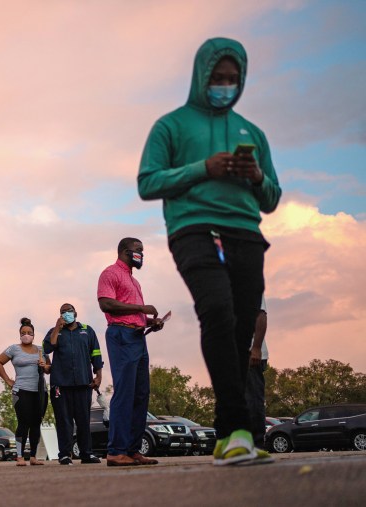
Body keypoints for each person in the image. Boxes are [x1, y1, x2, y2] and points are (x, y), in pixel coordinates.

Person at [137, 37, 281, 466]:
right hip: (194, 229)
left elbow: (272, 197)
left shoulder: (252, 132)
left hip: (246, 234)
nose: (225, 85)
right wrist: (205, 167)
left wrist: (255, 176)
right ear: (202, 76)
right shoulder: (171, 126)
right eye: (217, 78)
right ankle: (238, 430)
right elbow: (149, 182)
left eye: (233, 80)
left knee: (240, 328)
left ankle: (227, 433)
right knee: (217, 311)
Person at [97, 237, 165, 466]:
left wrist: (149, 321)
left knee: (140, 394)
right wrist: (141, 308)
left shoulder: (134, 282)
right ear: (126, 251)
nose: (142, 255)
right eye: (139, 251)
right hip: (121, 336)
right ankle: (116, 451)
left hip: (137, 336)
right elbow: (106, 304)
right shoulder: (110, 273)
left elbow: (133, 314)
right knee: (125, 392)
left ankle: (132, 449)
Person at [42, 304, 103, 465]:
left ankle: (86, 454)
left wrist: (99, 375)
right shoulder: (54, 331)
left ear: (75, 313)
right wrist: (57, 327)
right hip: (60, 385)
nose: (66, 313)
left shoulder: (87, 330)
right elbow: (47, 348)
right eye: (63, 312)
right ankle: (64, 454)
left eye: (69, 311)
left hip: (84, 383)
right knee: (64, 421)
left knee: (84, 420)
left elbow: (96, 352)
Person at [0, 317, 50, 466]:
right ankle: (19, 456)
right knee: (23, 422)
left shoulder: (41, 349)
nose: (27, 335)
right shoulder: (14, 349)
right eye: (24, 332)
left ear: (33, 334)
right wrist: (8, 380)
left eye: (29, 332)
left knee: (36, 423)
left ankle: (33, 456)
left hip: (40, 390)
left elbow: (49, 369)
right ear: (20, 334)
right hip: (21, 390)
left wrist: (45, 366)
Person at [245, 296, 268, 447]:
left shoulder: (249, 279)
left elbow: (261, 315)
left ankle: (257, 444)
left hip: (249, 353)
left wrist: (256, 348)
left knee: (252, 400)